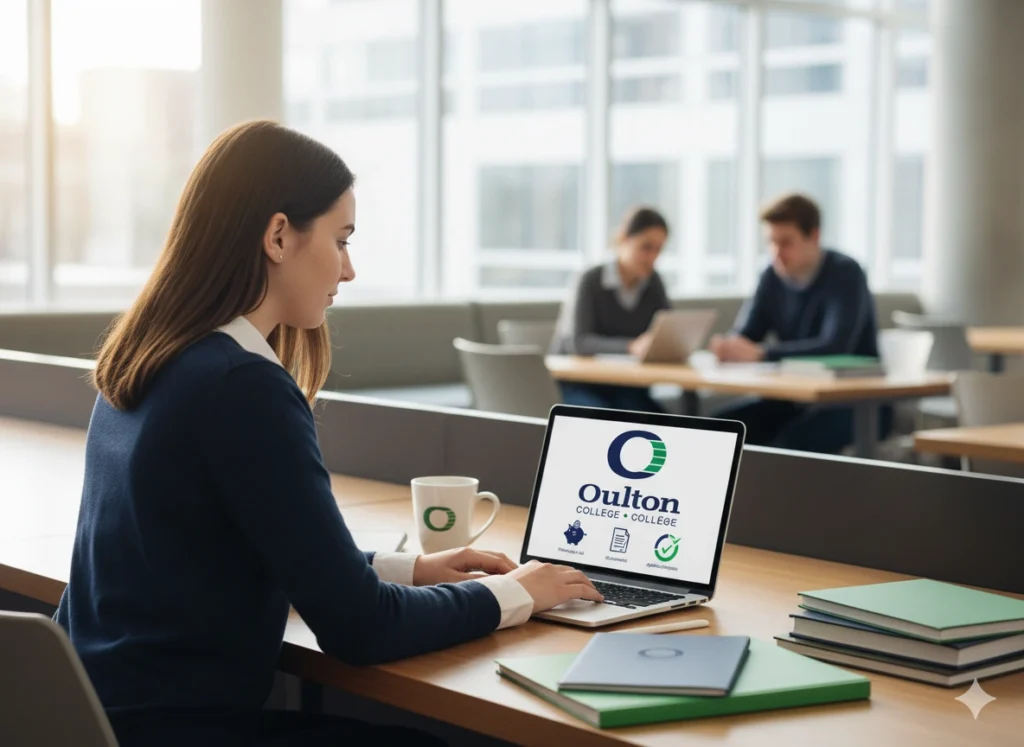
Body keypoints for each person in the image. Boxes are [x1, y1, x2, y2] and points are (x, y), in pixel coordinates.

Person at [53, 121, 603, 747]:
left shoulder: (146, 361)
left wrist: (409, 568)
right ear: (279, 235)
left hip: (98, 719)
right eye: (341, 240)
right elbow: (361, 630)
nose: (349, 268)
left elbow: (243, 548)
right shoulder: (242, 387)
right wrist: (516, 592)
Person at [709, 193, 889, 454]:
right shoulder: (771, 276)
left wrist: (763, 354)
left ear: (813, 236)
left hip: (857, 405)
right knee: (718, 430)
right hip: (794, 398)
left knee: (791, 446)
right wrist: (730, 346)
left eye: (785, 243)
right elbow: (747, 335)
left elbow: (834, 347)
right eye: (770, 242)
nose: (776, 253)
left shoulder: (846, 273)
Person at [551, 206, 672, 413]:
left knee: (663, 421)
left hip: (624, 385)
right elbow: (579, 343)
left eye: (659, 249)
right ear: (624, 239)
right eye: (646, 247)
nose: (653, 257)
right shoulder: (590, 280)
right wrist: (631, 346)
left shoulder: (654, 283)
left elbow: (668, 332)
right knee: (606, 419)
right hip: (578, 384)